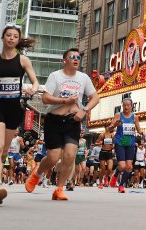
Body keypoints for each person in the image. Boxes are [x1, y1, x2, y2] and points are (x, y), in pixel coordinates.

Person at [25, 47, 99, 200]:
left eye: (78, 57)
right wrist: (64, 100)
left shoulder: (84, 78)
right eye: (72, 57)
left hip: (73, 121)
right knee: (53, 157)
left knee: (70, 155)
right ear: (64, 60)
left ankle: (59, 189)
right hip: (54, 120)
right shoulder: (55, 76)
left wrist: (84, 110)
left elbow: (95, 98)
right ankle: (37, 173)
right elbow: (45, 98)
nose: (76, 59)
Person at [0, 24, 39, 205]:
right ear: (3, 38)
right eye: (8, 35)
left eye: (15, 36)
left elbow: (35, 81)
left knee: (3, 151)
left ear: (18, 40)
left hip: (13, 110)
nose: (11, 38)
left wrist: (32, 90)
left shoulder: (23, 61)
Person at [108, 97, 142, 193]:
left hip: (130, 143)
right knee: (122, 166)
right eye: (124, 105)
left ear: (132, 106)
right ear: (122, 106)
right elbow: (110, 129)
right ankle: (115, 175)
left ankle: (121, 185)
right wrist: (115, 124)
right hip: (120, 142)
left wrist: (142, 133)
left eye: (128, 105)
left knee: (129, 167)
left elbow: (138, 129)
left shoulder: (135, 117)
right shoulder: (118, 115)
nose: (126, 107)